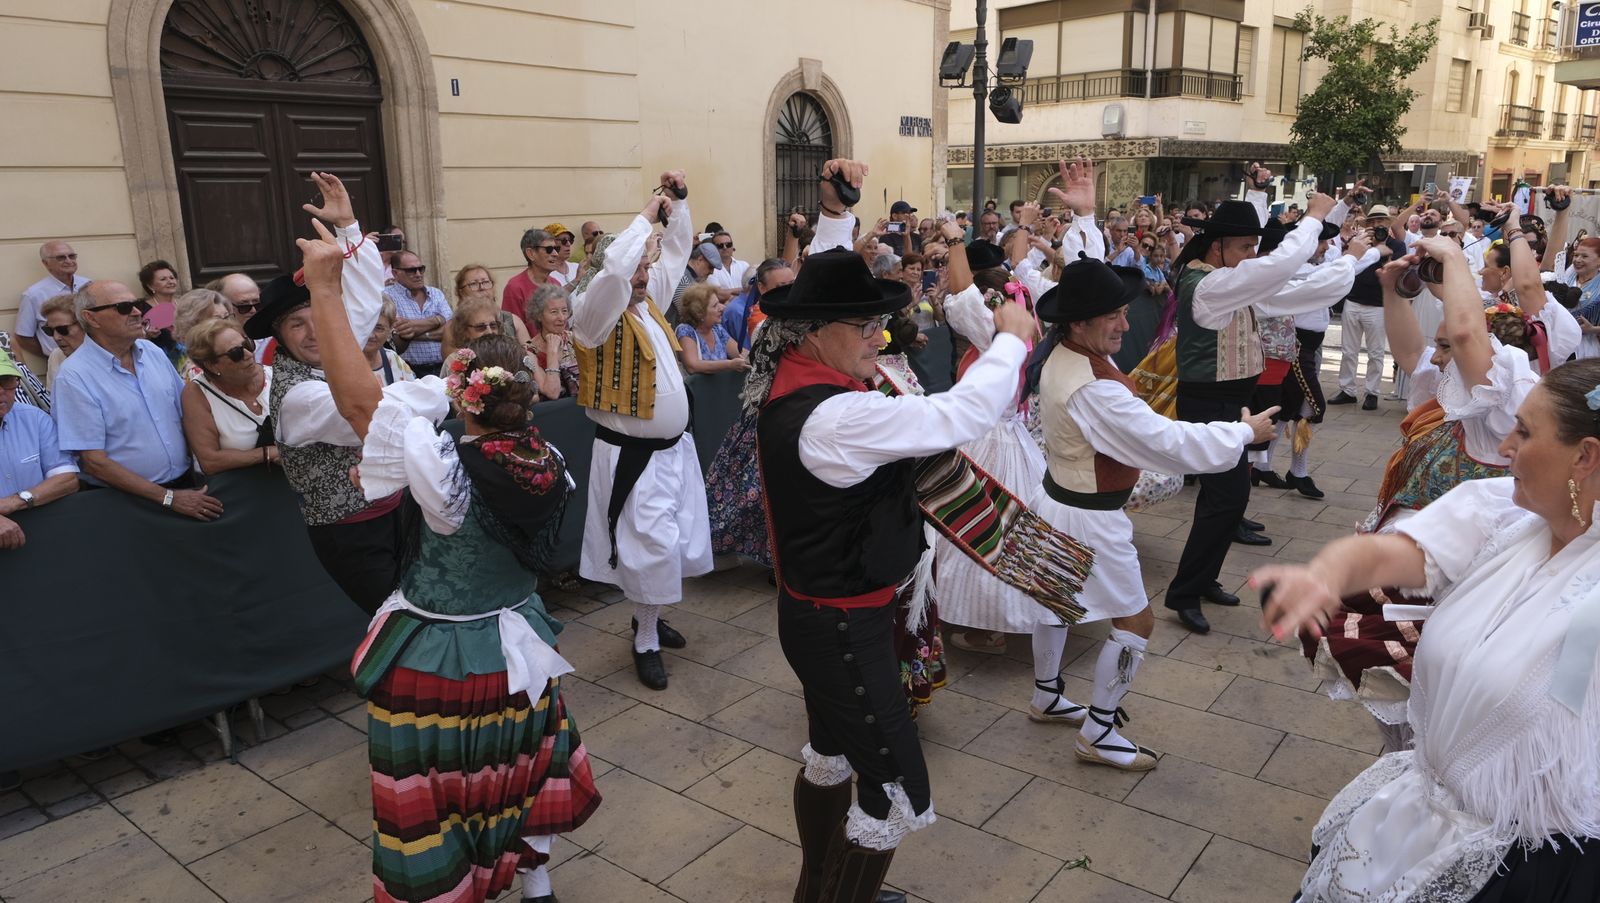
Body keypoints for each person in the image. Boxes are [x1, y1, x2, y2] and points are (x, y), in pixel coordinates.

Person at [749, 158, 1047, 903]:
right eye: (865, 323)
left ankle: (817, 887)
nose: (879, 336)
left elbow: (827, 279)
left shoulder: (796, 372)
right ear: (815, 332)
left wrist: (837, 214)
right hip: (842, 626)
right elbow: (954, 416)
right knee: (890, 787)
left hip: (822, 614)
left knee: (829, 754)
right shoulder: (836, 413)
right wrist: (1010, 340)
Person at [296, 222, 598, 903]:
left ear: (463, 392)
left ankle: (450, 886)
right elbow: (412, 402)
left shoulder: (448, 474)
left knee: (441, 792)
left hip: (448, 654)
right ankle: (537, 880)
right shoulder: (544, 458)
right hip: (521, 637)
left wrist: (323, 285)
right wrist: (351, 238)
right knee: (518, 765)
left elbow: (362, 403)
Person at [1255, 358, 1600, 902]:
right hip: (1419, 815)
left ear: (1585, 456)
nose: (1506, 445)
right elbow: (1393, 550)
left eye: (1526, 431)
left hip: (1529, 867)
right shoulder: (1504, 520)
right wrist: (1326, 574)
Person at [1027, 256, 1278, 770]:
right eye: (1114, 315)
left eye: (1124, 312)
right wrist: (1242, 434)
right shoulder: (1093, 384)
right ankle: (1097, 732)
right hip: (1087, 516)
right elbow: (1164, 441)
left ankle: (1048, 696)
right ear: (1078, 322)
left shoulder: (1063, 354)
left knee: (1057, 602)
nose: (1125, 323)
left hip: (1057, 501)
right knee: (1136, 621)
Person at [1163, 167, 1342, 634]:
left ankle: (1200, 581)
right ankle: (1185, 591)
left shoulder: (1227, 279)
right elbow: (1278, 270)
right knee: (1227, 498)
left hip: (1231, 404)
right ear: (1217, 245)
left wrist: (1358, 263)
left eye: (1251, 247)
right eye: (1244, 247)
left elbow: (1296, 290)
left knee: (1226, 500)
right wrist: (1314, 220)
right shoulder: (1210, 284)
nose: (1250, 256)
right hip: (1209, 405)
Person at [250, 171, 416, 614]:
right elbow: (375, 416)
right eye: (295, 324)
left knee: (420, 617)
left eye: (317, 317)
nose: (313, 333)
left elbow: (361, 303)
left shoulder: (329, 347)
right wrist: (443, 389)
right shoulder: (298, 396)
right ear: (278, 338)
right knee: (399, 627)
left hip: (396, 512)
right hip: (352, 531)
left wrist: (347, 227)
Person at [568, 171, 709, 690]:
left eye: (646, 267)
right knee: (648, 547)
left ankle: (647, 617)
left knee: (670, 544)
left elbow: (675, 253)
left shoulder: (646, 302)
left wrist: (676, 205)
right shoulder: (593, 315)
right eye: (639, 266)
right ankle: (645, 637)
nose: (647, 274)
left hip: (674, 451)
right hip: (634, 457)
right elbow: (612, 272)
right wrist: (643, 218)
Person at [53, 281, 222, 522]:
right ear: (91, 318)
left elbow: (187, 413)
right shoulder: (73, 376)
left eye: (136, 304)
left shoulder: (151, 352)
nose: (137, 312)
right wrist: (167, 498)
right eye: (124, 307)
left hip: (187, 486)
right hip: (127, 503)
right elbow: (94, 462)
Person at [1329, 204, 1407, 410]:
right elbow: (1348, 265)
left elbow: (1395, 272)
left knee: (1376, 352)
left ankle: (1372, 392)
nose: (1376, 225)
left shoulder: (1397, 245)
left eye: (1380, 221)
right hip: (1353, 301)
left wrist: (1384, 254)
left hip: (1378, 305)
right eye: (1372, 222)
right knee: (1348, 350)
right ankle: (1347, 389)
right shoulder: (1360, 243)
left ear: (1387, 224)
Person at [0, 348, 78, 549]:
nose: (1, 390)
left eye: (7, 380)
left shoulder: (35, 419)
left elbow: (67, 480)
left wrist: (16, 501)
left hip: (42, 533)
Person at [181, 317, 276, 476]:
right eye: (236, 353)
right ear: (212, 365)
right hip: (245, 487)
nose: (248, 354)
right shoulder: (197, 394)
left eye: (247, 345)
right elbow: (209, 461)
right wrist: (266, 454)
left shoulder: (276, 376)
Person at [15, 241, 91, 363]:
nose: (68, 261)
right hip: (62, 361)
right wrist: (52, 355)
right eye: (61, 257)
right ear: (46, 263)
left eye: (72, 256)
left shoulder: (89, 285)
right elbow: (23, 336)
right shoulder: (33, 295)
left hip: (96, 358)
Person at [383, 251, 451, 378]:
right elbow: (397, 333)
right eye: (411, 270)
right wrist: (437, 320)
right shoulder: (388, 296)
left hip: (442, 368)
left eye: (421, 269)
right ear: (395, 273)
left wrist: (412, 331)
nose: (418, 274)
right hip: (409, 370)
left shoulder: (436, 294)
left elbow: (451, 331)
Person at [675, 283, 748, 375]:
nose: (722, 307)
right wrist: (729, 364)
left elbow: (740, 353)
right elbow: (692, 366)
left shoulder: (717, 329)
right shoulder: (686, 331)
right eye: (715, 305)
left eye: (719, 303)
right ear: (699, 313)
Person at [723, 258, 794, 352]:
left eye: (792, 284)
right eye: (781, 287)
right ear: (762, 288)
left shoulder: (792, 307)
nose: (789, 291)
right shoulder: (758, 318)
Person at [453, 264, 531, 347]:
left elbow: (530, 352)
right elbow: (456, 359)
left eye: (485, 282)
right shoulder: (453, 326)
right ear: (461, 292)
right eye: (473, 284)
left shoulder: (514, 321)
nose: (482, 287)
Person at [503, 229, 566, 331]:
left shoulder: (556, 284)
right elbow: (510, 332)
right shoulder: (515, 288)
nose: (555, 254)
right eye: (549, 249)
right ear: (531, 253)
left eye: (557, 249)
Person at [525, 284, 579, 401]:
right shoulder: (529, 351)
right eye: (554, 312)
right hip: (552, 412)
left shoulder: (576, 339)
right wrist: (552, 353)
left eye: (564, 311)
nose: (562, 318)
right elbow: (552, 393)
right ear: (539, 315)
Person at [171, 288, 233, 378]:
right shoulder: (198, 371)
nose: (227, 325)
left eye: (226, 317)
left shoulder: (229, 352)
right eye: (216, 320)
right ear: (194, 325)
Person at [38, 294, 84, 392]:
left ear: (84, 325)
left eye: (62, 329)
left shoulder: (110, 356)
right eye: (49, 330)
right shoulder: (56, 356)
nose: (56, 337)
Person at [136, 260, 183, 354]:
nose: (170, 282)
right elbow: (135, 340)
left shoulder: (185, 304)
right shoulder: (141, 309)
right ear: (150, 286)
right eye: (163, 279)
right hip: (161, 357)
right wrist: (147, 334)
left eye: (172, 278)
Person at [365, 300, 415, 386]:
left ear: (390, 329)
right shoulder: (340, 362)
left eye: (378, 328)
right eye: (366, 326)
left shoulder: (393, 360)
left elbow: (412, 393)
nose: (371, 335)